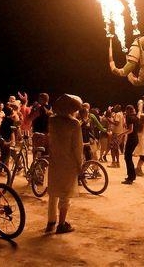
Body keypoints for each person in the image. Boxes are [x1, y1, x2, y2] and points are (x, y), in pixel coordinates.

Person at [45, 93, 83, 234]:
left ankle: (51, 222)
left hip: (54, 161)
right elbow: (77, 147)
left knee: (53, 192)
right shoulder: (74, 123)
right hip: (69, 163)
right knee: (65, 194)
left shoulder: (52, 120)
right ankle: (61, 224)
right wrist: (80, 165)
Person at [120, 105, 140, 184]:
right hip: (136, 139)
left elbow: (130, 130)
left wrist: (121, 134)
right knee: (129, 157)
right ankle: (132, 176)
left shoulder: (129, 117)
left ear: (128, 110)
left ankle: (130, 178)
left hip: (131, 139)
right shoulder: (136, 118)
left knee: (127, 158)